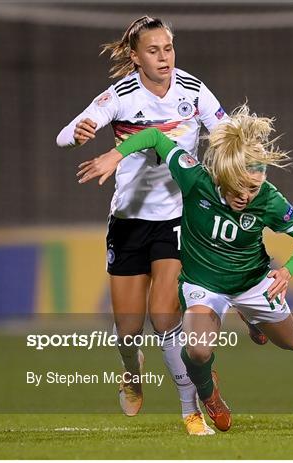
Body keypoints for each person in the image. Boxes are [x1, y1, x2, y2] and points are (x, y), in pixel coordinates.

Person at [77, 105, 293, 432]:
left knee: (291, 343)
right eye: (241, 186)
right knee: (197, 348)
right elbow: (153, 136)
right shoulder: (195, 177)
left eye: (255, 187)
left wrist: (288, 270)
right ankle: (210, 396)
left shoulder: (270, 199)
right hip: (204, 286)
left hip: (251, 282)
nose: (247, 196)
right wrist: (115, 154)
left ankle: (251, 317)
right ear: (223, 173)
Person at [56, 16, 228, 435]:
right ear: (135, 57)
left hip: (177, 219)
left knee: (164, 316)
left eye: (167, 48)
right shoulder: (120, 95)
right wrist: (78, 135)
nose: (164, 57)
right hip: (129, 221)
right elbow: (66, 134)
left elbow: (224, 131)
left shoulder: (193, 89)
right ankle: (131, 373)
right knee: (128, 331)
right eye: (153, 50)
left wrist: (234, 152)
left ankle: (193, 407)